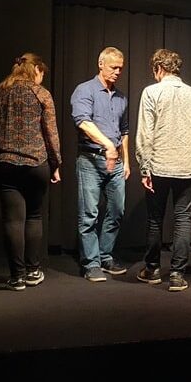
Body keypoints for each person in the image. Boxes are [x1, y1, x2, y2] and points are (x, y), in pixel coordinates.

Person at [0, 53, 62, 291]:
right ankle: (33, 271)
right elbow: (51, 133)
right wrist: (56, 163)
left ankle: (16, 277)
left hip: (4, 163)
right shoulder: (40, 94)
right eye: (42, 74)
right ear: (36, 70)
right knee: (34, 216)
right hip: (35, 163)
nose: (42, 78)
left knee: (12, 219)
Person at [135, 49, 191, 291]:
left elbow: (145, 134)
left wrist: (144, 168)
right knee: (183, 219)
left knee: (155, 219)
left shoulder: (151, 92)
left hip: (159, 165)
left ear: (158, 68)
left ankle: (153, 269)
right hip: (187, 167)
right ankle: (177, 274)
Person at [70, 46, 130, 282]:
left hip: (115, 163)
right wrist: (108, 145)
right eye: (113, 67)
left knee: (117, 210)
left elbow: (124, 130)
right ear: (101, 64)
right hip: (91, 159)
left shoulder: (122, 97)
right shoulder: (84, 90)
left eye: (121, 69)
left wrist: (124, 160)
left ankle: (105, 255)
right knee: (89, 214)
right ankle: (91, 263)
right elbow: (83, 122)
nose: (117, 72)